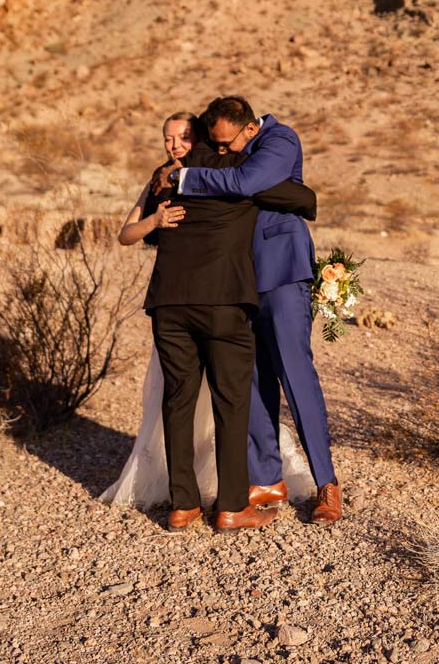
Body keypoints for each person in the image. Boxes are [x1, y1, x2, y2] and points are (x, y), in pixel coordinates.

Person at [101, 112, 315, 532]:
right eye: (168, 138)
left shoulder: (164, 179)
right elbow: (301, 199)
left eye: (179, 138)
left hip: (169, 303)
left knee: (177, 401)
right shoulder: (237, 171)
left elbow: (129, 233)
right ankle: (232, 507)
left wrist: (159, 215)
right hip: (223, 304)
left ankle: (183, 506)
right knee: (231, 404)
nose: (173, 146)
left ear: (192, 138)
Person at [165, 96, 341, 524]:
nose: (222, 151)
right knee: (249, 380)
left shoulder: (280, 139)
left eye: (228, 143)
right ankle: (265, 478)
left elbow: (246, 182)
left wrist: (187, 177)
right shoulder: (228, 150)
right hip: (235, 281)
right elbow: (236, 178)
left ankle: (327, 484)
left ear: (249, 128)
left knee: (294, 374)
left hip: (281, 272)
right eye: (217, 144)